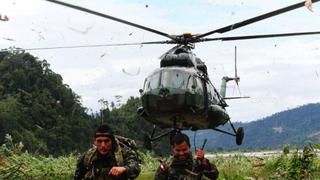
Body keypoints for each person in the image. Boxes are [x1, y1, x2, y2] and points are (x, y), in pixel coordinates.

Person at [74, 124, 141, 180]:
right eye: (99, 141)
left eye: (106, 141)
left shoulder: (124, 152)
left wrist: (124, 168)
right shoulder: (88, 156)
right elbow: (77, 177)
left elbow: (135, 167)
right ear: (94, 142)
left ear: (112, 141)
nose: (103, 145)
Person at [154, 133, 219, 180]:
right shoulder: (166, 166)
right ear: (173, 149)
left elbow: (214, 176)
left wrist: (204, 161)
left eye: (184, 149)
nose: (181, 153)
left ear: (189, 147)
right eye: (178, 150)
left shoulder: (198, 162)